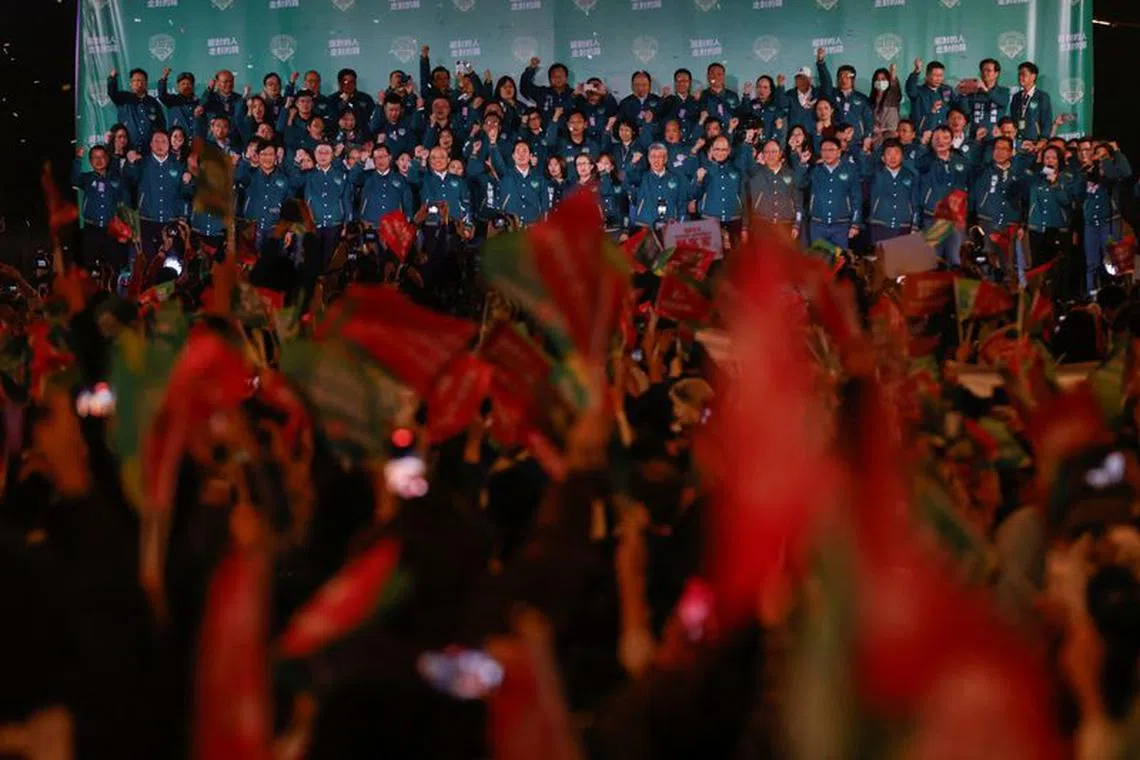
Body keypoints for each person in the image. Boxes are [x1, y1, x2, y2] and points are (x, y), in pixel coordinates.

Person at [121, 129, 189, 260]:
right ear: (151, 144)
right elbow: (129, 180)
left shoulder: (178, 166)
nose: (160, 145)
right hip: (147, 222)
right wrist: (130, 164)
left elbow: (186, 194)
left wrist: (188, 183)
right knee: (148, 263)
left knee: (172, 264)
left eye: (163, 141)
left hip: (171, 222)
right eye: (156, 141)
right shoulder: (141, 163)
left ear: (169, 144)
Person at [971, 136, 1032, 278]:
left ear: (1011, 152)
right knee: (986, 262)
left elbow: (1025, 200)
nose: (999, 152)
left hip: (1010, 224)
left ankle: (1007, 295)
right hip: (987, 222)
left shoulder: (1018, 173)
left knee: (1008, 265)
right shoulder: (983, 170)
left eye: (1004, 149)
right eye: (997, 148)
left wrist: (1023, 224)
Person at [1078, 140, 1132, 296]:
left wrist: (1115, 152)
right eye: (1097, 153)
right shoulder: (1087, 170)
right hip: (1090, 224)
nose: (1099, 156)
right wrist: (1084, 172)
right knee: (1092, 264)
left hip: (1109, 222)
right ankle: (1092, 297)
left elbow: (1125, 173)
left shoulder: (1113, 172)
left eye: (1103, 153)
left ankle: (1118, 295)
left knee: (1114, 261)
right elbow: (1076, 192)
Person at [917, 126, 972, 265]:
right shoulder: (926, 161)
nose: (941, 142)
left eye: (945, 138)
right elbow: (917, 166)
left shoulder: (961, 162)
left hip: (955, 219)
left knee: (956, 260)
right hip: (934, 218)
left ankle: (955, 286)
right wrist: (923, 146)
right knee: (933, 260)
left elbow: (969, 187)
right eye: (937, 139)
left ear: (952, 140)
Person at [295, 142, 353, 271]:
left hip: (335, 223)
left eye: (326, 152)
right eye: (320, 153)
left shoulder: (341, 175)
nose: (323, 156)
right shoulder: (308, 175)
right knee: (312, 261)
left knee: (330, 261)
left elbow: (346, 200)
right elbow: (294, 183)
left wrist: (347, 223)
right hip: (314, 223)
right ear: (315, 155)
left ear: (332, 155)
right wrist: (297, 164)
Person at [801, 136, 862, 250]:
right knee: (818, 261)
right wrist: (803, 165)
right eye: (824, 150)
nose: (827, 153)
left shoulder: (850, 170)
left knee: (839, 262)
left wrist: (855, 224)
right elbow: (799, 184)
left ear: (839, 152)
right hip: (817, 224)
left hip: (841, 225)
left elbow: (856, 199)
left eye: (831, 150)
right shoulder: (815, 170)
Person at [71, 145, 127, 270]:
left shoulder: (115, 179)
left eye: (102, 157)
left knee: (113, 266)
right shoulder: (87, 178)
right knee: (90, 266)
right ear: (90, 161)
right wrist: (78, 159)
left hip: (110, 229)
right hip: (91, 228)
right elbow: (74, 180)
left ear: (107, 159)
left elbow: (123, 198)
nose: (99, 160)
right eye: (95, 157)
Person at [234, 138, 296, 247]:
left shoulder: (285, 179)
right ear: (257, 156)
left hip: (275, 229)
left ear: (276, 157)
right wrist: (246, 159)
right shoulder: (249, 175)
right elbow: (237, 179)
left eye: (271, 154)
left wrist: (290, 230)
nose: (267, 158)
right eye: (264, 154)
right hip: (251, 228)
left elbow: (290, 206)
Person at [692, 135, 750, 242]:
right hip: (710, 220)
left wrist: (745, 226)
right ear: (712, 150)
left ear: (729, 151)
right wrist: (699, 180)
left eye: (724, 149)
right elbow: (695, 195)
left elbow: (743, 197)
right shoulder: (704, 170)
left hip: (734, 220)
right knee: (713, 257)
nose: (720, 153)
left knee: (735, 257)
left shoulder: (736, 171)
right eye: (717, 149)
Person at [747, 139, 802, 238]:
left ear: (780, 153)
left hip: (786, 225)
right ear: (763, 154)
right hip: (762, 225)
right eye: (767, 152)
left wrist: (797, 224)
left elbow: (798, 202)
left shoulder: (791, 174)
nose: (770, 155)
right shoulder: (755, 174)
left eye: (774, 152)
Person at [868, 139, 919, 245]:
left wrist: (915, 225)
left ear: (902, 156)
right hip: (880, 224)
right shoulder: (875, 174)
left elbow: (915, 202)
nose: (893, 157)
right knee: (881, 259)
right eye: (889, 154)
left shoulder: (910, 175)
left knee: (901, 260)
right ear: (882, 157)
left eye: (896, 153)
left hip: (904, 225)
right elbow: (863, 167)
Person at [350, 143, 416, 225]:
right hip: (370, 223)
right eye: (377, 158)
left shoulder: (400, 179)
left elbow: (408, 202)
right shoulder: (367, 176)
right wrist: (361, 162)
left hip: (394, 225)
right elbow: (352, 178)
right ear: (373, 161)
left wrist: (408, 221)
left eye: (383, 157)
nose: (380, 160)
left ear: (390, 158)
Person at [106, 67, 166, 152]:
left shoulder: (153, 102)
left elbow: (161, 125)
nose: (140, 83)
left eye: (142, 81)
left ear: (146, 83)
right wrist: (112, 78)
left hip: (149, 151)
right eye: (136, 80)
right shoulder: (123, 98)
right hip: (128, 150)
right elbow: (112, 93)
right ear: (131, 83)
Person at [631, 143, 688, 230]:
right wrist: (633, 163)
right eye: (653, 156)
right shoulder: (642, 177)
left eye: (660, 157)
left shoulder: (675, 178)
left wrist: (681, 222)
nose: (656, 160)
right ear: (648, 159)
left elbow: (681, 202)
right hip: (645, 224)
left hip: (669, 225)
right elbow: (629, 177)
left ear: (665, 159)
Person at [419, 146, 472, 235]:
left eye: (442, 157)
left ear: (448, 160)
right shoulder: (424, 179)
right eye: (434, 157)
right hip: (430, 227)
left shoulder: (459, 180)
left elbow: (466, 203)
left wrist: (468, 226)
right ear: (429, 161)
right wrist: (422, 159)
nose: (438, 160)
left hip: (455, 227)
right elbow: (413, 177)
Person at [495, 141, 550, 226]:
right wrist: (492, 143)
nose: (521, 155)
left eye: (524, 151)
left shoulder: (539, 179)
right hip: (510, 229)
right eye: (518, 151)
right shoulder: (505, 175)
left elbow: (545, 206)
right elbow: (497, 162)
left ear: (530, 156)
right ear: (513, 156)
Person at [824, 62, 873, 146]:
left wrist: (866, 137)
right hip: (836, 141)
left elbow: (868, 122)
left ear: (853, 79)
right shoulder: (832, 95)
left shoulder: (862, 98)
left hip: (856, 142)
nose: (843, 79)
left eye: (847, 76)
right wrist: (821, 64)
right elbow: (825, 81)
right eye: (841, 76)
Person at [782, 49, 829, 132]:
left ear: (810, 80)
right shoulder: (789, 95)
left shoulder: (818, 94)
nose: (801, 81)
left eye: (804, 78)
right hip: (795, 139)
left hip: (815, 138)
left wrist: (821, 63)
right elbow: (780, 106)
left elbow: (827, 83)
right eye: (798, 78)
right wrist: (780, 87)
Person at [960, 58, 1010, 134]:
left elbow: (1003, 102)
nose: (985, 73)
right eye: (983, 71)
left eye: (988, 71)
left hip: (994, 138)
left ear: (996, 73)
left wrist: (986, 90)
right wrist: (963, 94)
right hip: (975, 137)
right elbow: (965, 112)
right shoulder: (973, 92)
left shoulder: (1003, 91)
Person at [905, 59, 955, 135]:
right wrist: (916, 72)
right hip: (923, 135)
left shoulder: (946, 90)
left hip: (942, 135)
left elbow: (956, 107)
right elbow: (910, 89)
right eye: (935, 75)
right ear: (927, 76)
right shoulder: (918, 91)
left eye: (940, 75)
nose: (938, 79)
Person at [738, 75, 788, 147]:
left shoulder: (776, 105)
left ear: (771, 90)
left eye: (765, 87)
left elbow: (782, 106)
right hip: (753, 146)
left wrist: (780, 86)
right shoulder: (751, 104)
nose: (761, 90)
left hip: (770, 147)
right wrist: (746, 95)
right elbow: (744, 113)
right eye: (759, 87)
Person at [521, 57, 575, 125]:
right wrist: (531, 68)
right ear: (549, 79)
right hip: (545, 133)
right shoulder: (542, 92)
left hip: (569, 134)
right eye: (554, 76)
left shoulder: (574, 94)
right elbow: (525, 87)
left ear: (566, 78)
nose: (558, 78)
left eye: (560, 76)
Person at [1010, 62, 1053, 143]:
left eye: (1023, 74)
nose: (1020, 77)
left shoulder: (1042, 96)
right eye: (1019, 74)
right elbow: (1013, 119)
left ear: (1033, 76)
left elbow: (1047, 121)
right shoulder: (1016, 97)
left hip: (1035, 141)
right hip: (1018, 141)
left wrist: (1043, 139)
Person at [157, 69, 201, 141]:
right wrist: (163, 79)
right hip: (177, 142)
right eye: (183, 84)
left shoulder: (198, 102)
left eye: (189, 84)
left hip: (195, 141)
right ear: (177, 86)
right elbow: (162, 95)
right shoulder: (172, 100)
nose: (186, 86)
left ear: (193, 86)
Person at [659, 68, 701, 142]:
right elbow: (657, 116)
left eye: (685, 81)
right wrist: (662, 99)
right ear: (675, 83)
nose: (681, 83)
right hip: (672, 145)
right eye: (679, 81)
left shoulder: (696, 101)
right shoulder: (668, 100)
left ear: (690, 83)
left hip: (692, 143)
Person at [870, 64, 902, 144]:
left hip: (891, 137)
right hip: (876, 139)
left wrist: (893, 73)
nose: (880, 82)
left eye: (883, 79)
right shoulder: (871, 100)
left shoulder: (892, 96)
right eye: (877, 79)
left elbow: (894, 86)